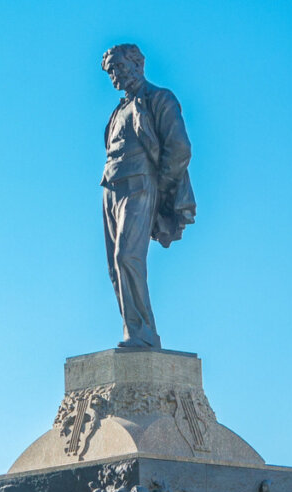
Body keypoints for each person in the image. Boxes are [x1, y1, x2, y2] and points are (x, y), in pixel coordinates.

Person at [101, 43, 196, 348]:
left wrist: (161, 187)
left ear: (137, 64)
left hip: (141, 184)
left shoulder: (158, 98)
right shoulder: (118, 109)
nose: (115, 75)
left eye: (119, 67)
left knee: (126, 256)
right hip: (111, 189)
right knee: (115, 268)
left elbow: (179, 148)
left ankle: (142, 334)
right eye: (110, 71)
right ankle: (134, 330)